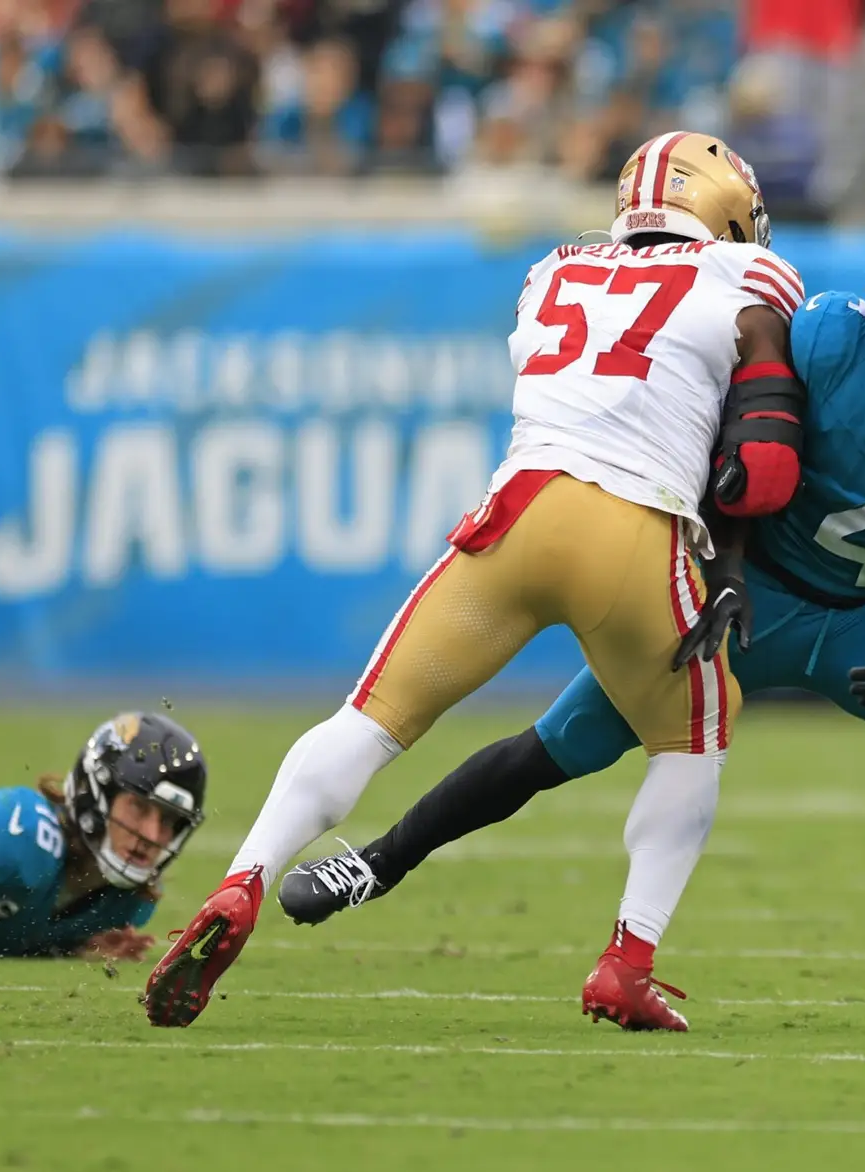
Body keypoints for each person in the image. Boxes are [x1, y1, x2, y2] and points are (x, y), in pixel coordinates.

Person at [280, 193, 865, 1039]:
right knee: (556, 747)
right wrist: (719, 568)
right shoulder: (825, 339)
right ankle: (375, 864)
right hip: (746, 598)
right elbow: (739, 445)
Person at [144, 131, 806, 1029]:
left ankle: (242, 880)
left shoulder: (549, 274)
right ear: (724, 209)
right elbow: (761, 433)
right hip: (631, 528)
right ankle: (627, 963)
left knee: (369, 721)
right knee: (694, 740)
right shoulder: (749, 278)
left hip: (512, 516)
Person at [0, 713, 207, 964]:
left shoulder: (125, 906)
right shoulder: (19, 834)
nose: (151, 834)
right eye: (139, 806)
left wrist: (74, 946)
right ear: (95, 795)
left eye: (169, 820)